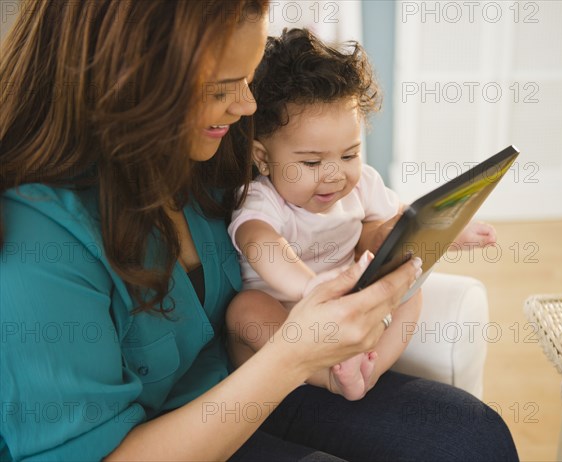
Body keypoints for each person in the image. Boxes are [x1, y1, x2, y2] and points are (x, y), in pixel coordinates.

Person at [0, 1, 519, 461]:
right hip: (169, 436)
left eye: (248, 80)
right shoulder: (36, 250)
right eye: (225, 87)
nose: (248, 105)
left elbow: (328, 222)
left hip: (246, 387)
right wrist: (295, 354)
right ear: (133, 81)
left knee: (473, 437)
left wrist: (386, 244)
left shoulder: (206, 147)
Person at [226, 28, 497, 400]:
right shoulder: (263, 198)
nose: (335, 174)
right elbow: (259, 242)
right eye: (311, 162)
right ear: (263, 158)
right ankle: (327, 376)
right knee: (244, 310)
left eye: (349, 154)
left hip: (346, 314)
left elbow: (403, 226)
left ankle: (368, 370)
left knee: (410, 291)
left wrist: (450, 231)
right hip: (286, 319)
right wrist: (312, 290)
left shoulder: (363, 185)